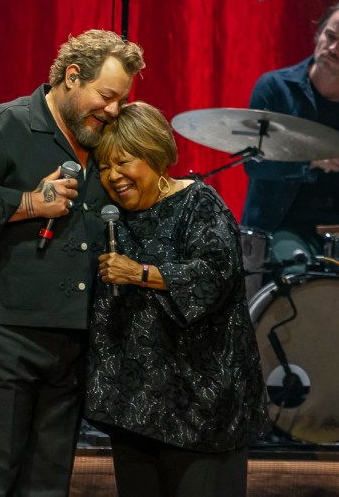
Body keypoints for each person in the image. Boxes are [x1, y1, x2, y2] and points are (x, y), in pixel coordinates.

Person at [0, 30, 145, 497]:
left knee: (48, 482)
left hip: (70, 339)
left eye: (120, 101)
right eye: (106, 96)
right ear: (72, 77)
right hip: (4, 334)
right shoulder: (6, 124)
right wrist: (28, 201)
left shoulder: (102, 138)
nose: (113, 110)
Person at [87, 102, 268, 497]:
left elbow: (214, 276)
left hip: (203, 407)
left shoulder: (199, 204)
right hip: (133, 406)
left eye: (123, 162)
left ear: (154, 154)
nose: (113, 176)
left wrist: (140, 273)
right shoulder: (110, 217)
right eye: (104, 167)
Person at [240, 0, 339, 267]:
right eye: (330, 36)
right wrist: (310, 161)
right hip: (282, 225)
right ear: (318, 33)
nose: (332, 48)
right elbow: (254, 165)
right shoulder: (275, 89)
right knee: (302, 281)